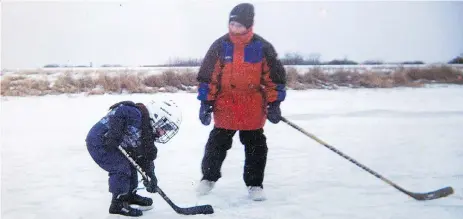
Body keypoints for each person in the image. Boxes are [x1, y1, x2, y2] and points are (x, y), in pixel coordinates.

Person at [195, 3, 287, 201]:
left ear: (248, 25)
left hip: (252, 105)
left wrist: (274, 103)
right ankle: (208, 178)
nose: (234, 28)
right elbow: (208, 77)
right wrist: (205, 103)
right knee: (217, 143)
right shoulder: (220, 45)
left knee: (256, 145)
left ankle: (255, 184)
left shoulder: (262, 47)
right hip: (225, 104)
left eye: (238, 25)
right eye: (232, 23)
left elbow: (274, 79)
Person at [85, 99, 182, 217]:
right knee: (121, 167)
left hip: (115, 144)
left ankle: (129, 196)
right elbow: (121, 111)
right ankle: (117, 204)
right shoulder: (136, 114)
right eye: (164, 126)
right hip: (100, 142)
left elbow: (143, 155)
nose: (163, 132)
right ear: (157, 115)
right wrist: (114, 135)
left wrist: (150, 175)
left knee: (131, 165)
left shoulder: (147, 130)